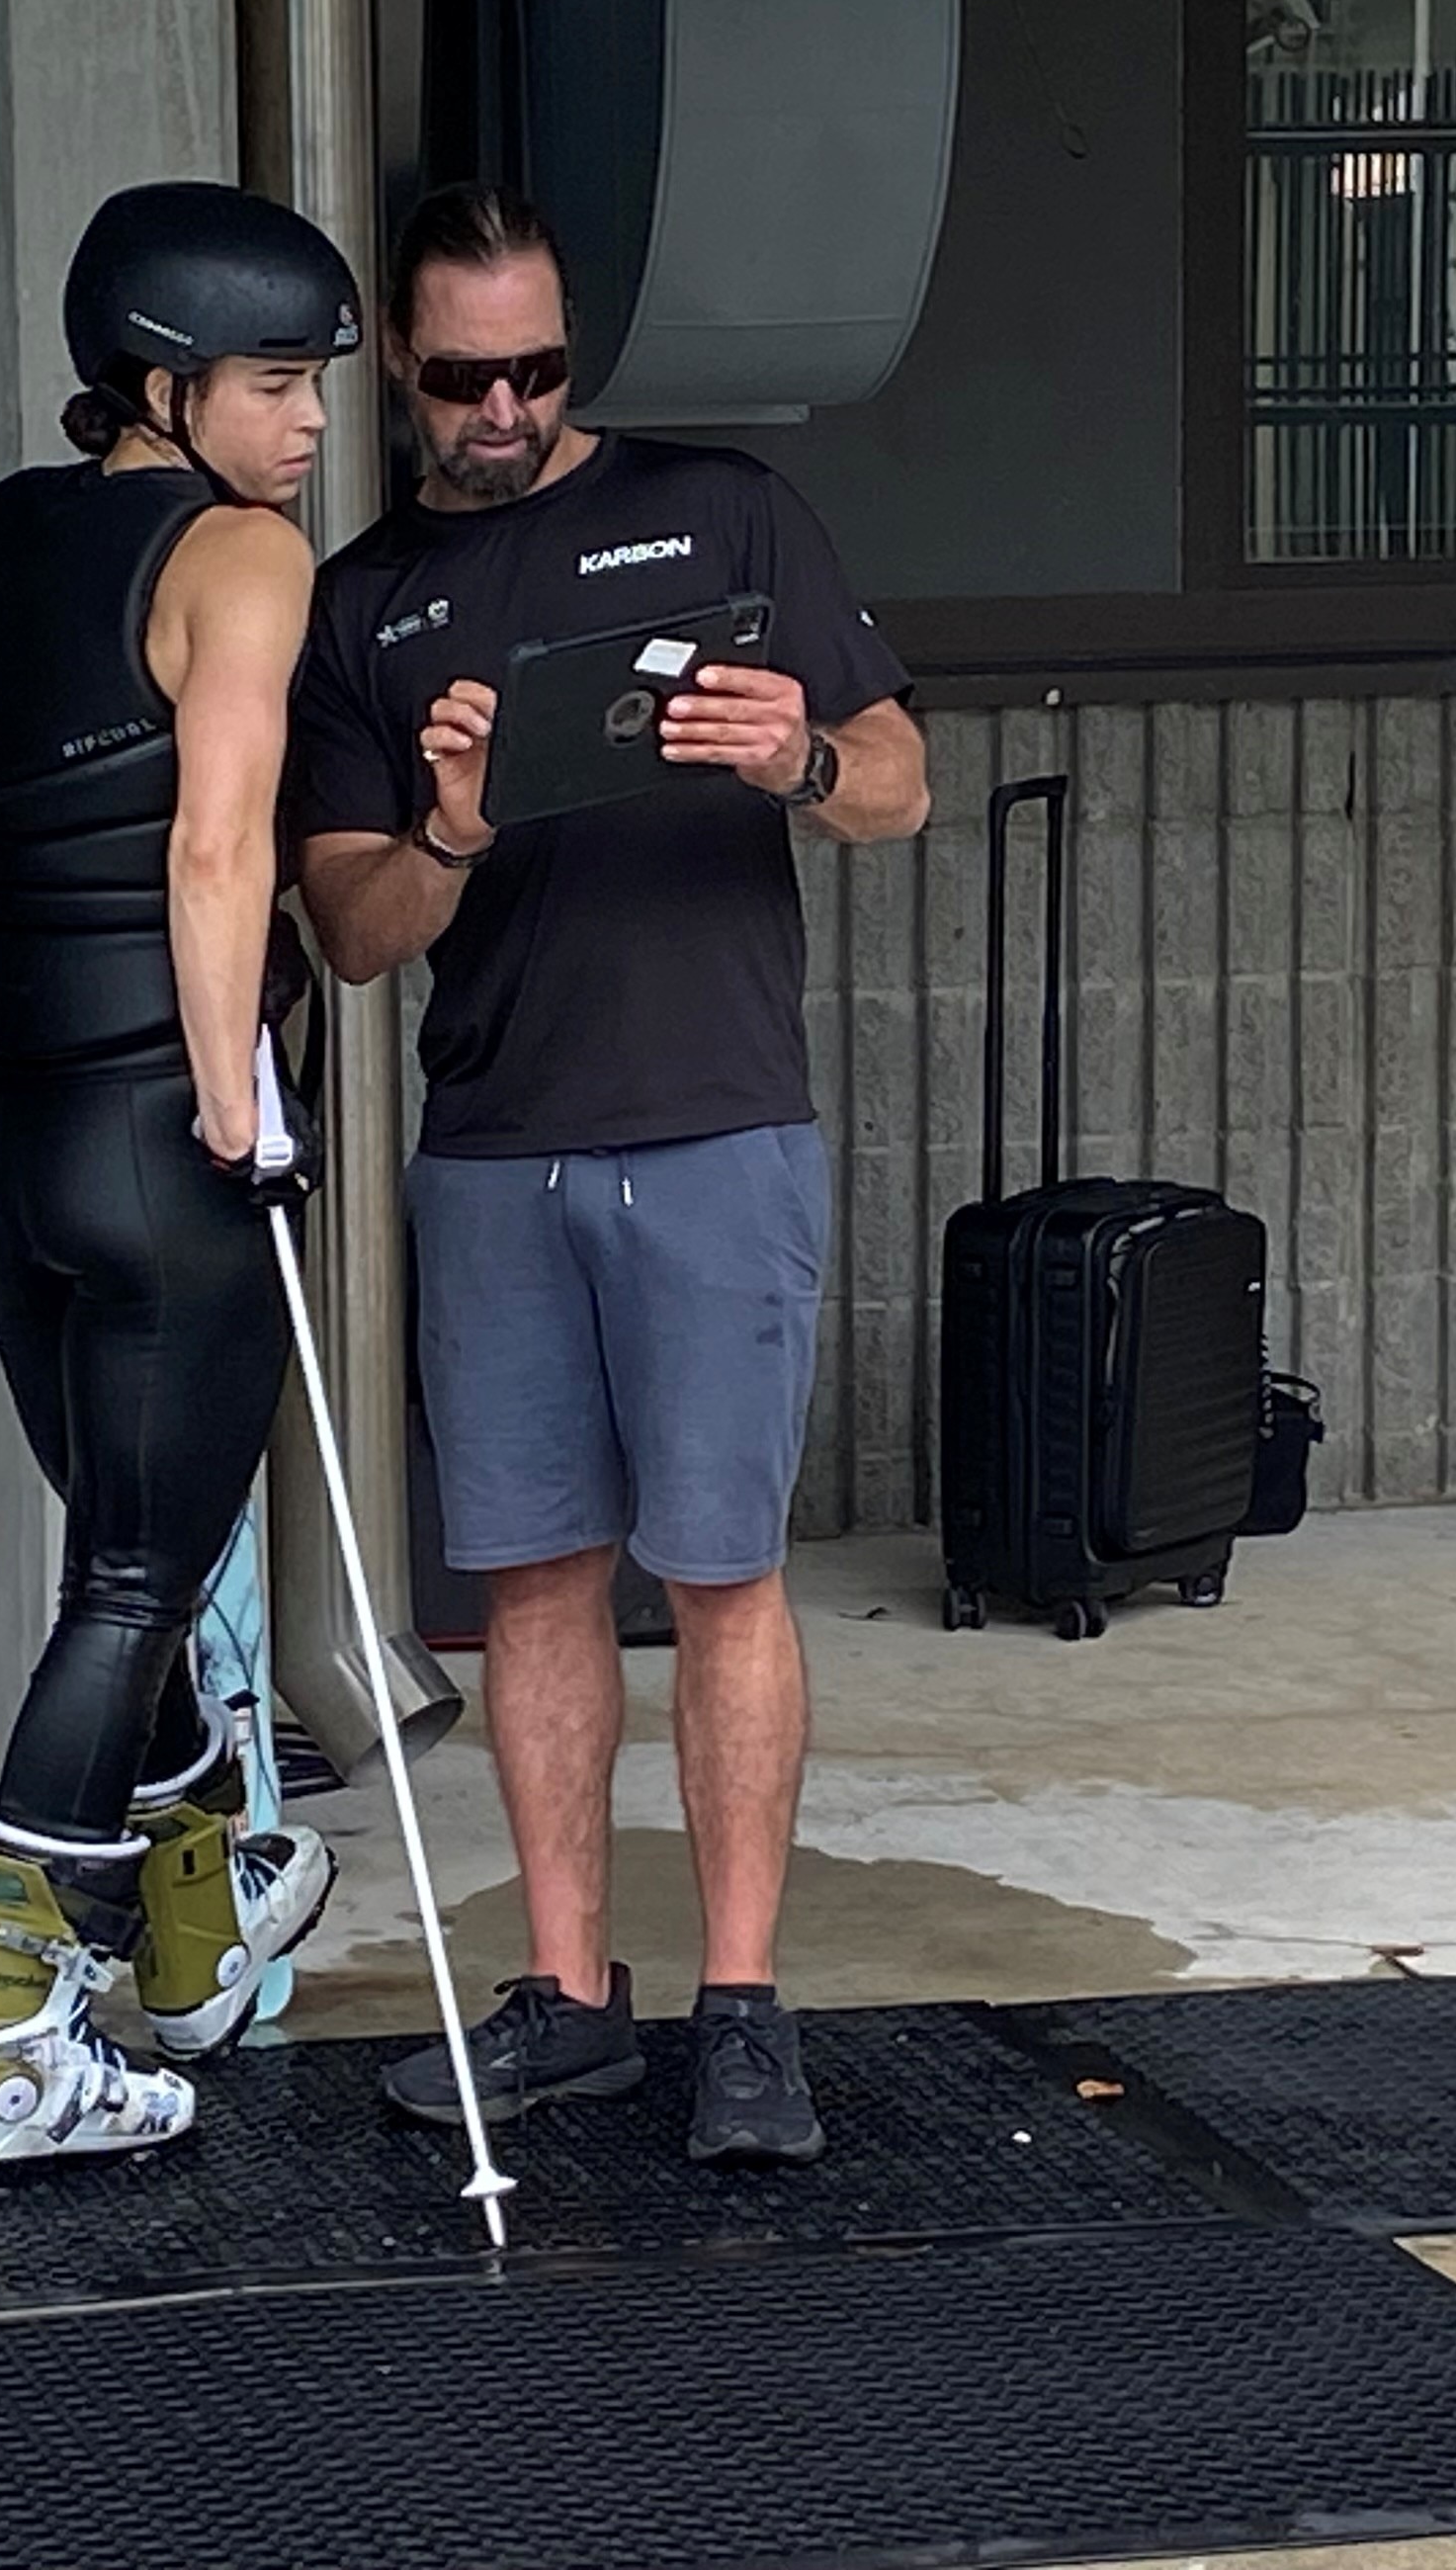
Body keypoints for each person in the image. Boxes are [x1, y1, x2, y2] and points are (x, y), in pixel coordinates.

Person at [293, 185, 930, 2167]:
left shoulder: (726, 511)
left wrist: (797, 762)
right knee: (533, 1578)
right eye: (468, 373)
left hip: (719, 1119)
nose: (506, 407)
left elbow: (901, 779)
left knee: (725, 1568)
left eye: (542, 368)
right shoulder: (361, 601)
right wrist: (459, 826)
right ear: (403, 362)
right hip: (496, 1140)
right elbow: (349, 930)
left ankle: (744, 2006)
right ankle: (568, 1999)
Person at [0, 182, 357, 2179]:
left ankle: (203, 1932)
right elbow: (220, 846)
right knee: (138, 1578)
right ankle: (0, 2051)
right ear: (165, 387)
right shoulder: (240, 557)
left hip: (7, 1140)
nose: (310, 429)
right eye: (279, 388)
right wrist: (238, 1097)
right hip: (160, 1137)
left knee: (127, 1560)